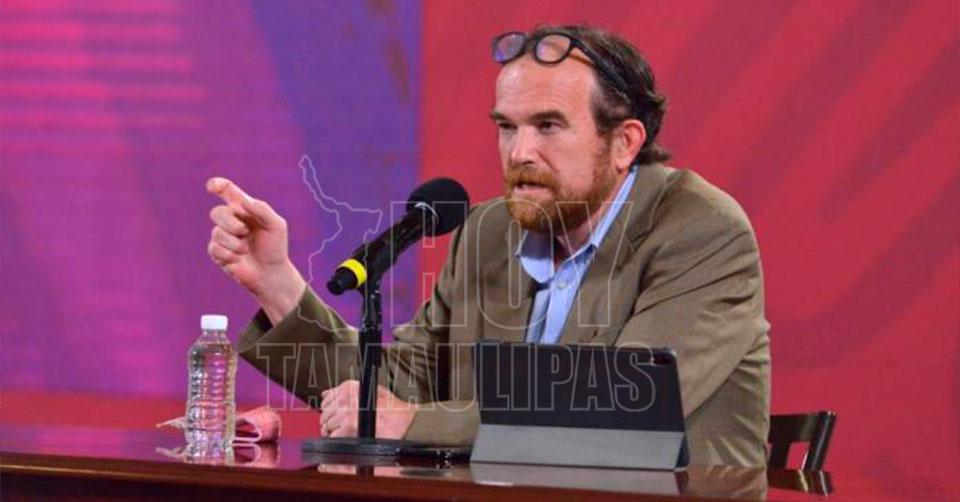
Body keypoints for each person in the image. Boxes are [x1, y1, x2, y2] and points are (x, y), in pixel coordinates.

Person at [206, 25, 770, 467]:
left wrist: (411, 424)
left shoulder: (700, 231)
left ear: (624, 142)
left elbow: (626, 404)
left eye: (547, 126)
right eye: (507, 126)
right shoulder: (489, 231)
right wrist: (278, 284)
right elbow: (398, 386)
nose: (519, 152)